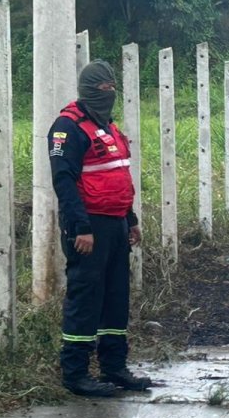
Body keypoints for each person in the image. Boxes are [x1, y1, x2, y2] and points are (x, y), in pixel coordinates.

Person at [49, 60, 152, 397]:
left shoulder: (107, 126)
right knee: (86, 297)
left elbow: (118, 175)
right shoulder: (68, 128)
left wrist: (131, 219)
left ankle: (114, 366)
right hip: (88, 226)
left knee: (114, 297)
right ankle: (75, 373)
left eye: (113, 88)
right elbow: (64, 182)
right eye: (104, 89)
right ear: (90, 90)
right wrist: (80, 227)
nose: (110, 94)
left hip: (116, 224)